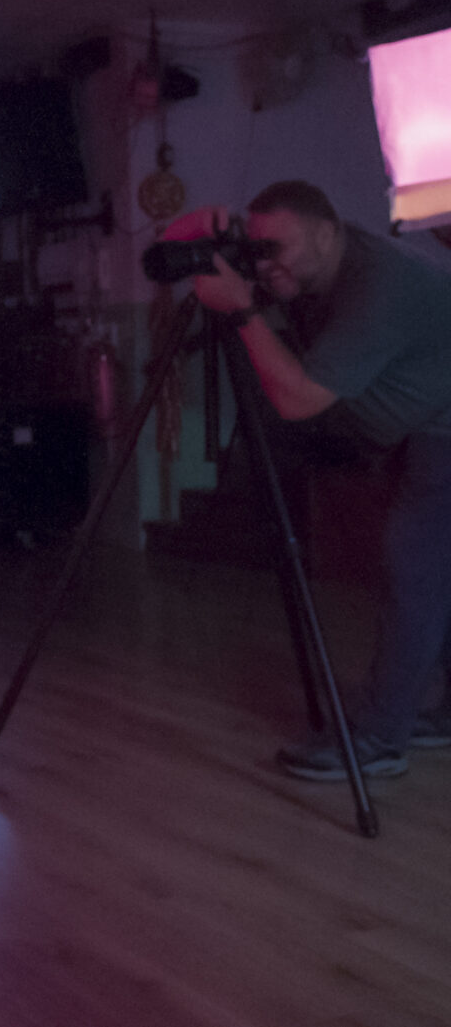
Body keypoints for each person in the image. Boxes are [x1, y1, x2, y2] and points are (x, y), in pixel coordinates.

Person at [166, 180, 451, 781]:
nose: (266, 265)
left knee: (414, 566)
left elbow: (297, 400)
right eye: (257, 250)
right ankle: (435, 715)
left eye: (277, 249)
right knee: (429, 570)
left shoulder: (379, 285)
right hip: (424, 423)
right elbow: (166, 251)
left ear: (325, 233)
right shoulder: (323, 265)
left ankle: (379, 737)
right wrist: (203, 225)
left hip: (443, 426)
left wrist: (242, 311)